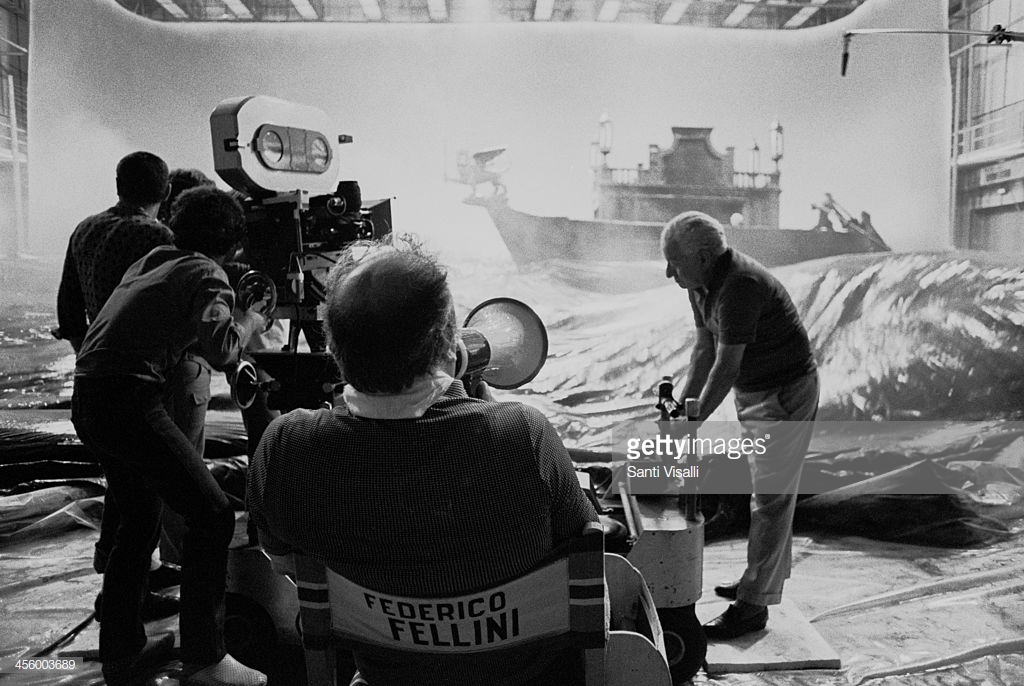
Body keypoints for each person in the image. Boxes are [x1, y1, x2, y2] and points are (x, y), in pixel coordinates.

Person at [247, 240, 598, 686]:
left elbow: (284, 563)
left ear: (334, 348)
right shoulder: (522, 435)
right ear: (447, 341)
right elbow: (581, 547)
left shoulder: (287, 448)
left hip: (385, 676)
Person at [71, 186, 269, 686]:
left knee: (139, 515)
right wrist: (248, 318)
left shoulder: (153, 259)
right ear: (233, 243)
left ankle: (121, 651)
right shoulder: (209, 273)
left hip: (89, 395)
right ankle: (206, 659)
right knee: (213, 514)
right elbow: (222, 348)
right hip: (129, 398)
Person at [661, 211, 819, 640]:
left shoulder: (741, 286)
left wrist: (692, 424)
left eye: (675, 262)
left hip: (784, 393)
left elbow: (727, 366)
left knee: (771, 497)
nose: (668, 271)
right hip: (756, 392)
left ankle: (752, 607)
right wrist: (682, 410)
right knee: (768, 492)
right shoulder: (700, 284)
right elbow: (703, 352)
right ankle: (761, 584)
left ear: (706, 256)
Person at [55, 151, 182, 612]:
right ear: (165, 193)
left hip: (93, 375)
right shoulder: (157, 236)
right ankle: (130, 599)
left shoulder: (85, 228)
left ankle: (125, 570)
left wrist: (90, 355)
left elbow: (68, 309)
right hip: (140, 374)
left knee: (122, 479)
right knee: (147, 487)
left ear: (117, 184)